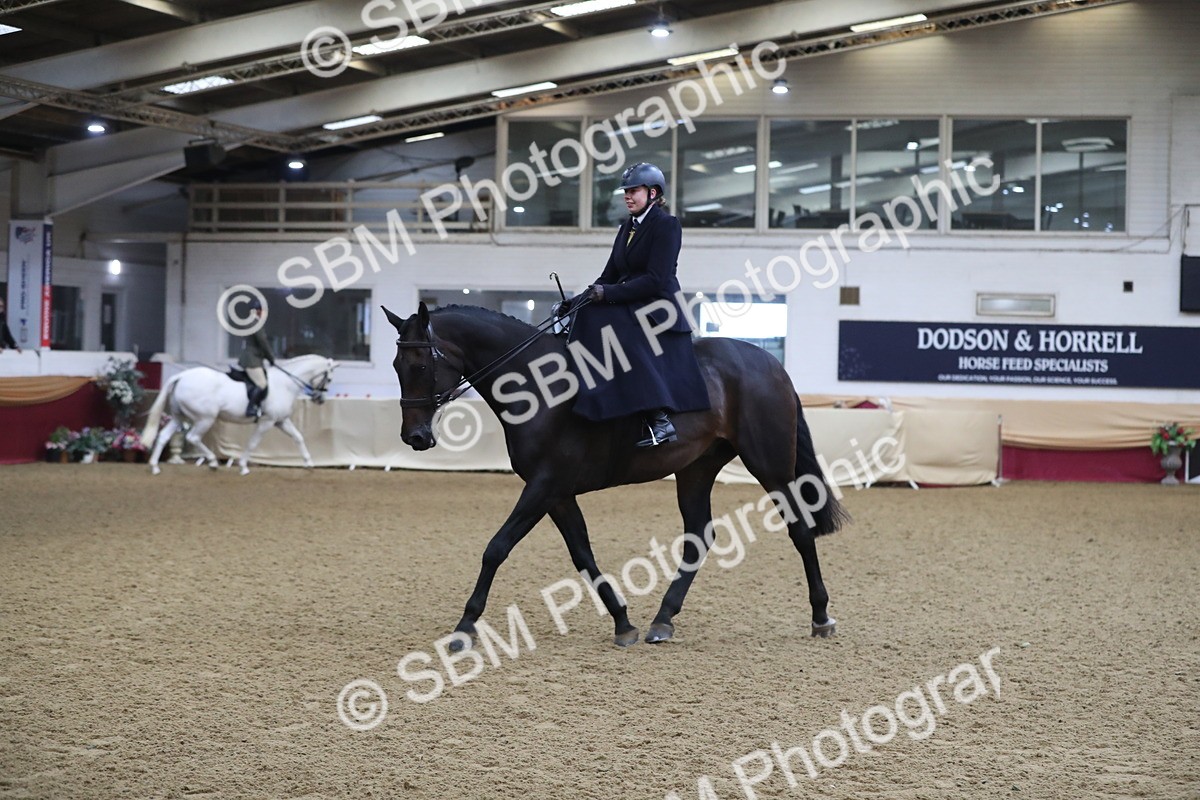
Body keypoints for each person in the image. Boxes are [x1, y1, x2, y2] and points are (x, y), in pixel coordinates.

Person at [558, 162, 710, 447]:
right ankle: (594, 398)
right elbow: (608, 276)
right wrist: (574, 302)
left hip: (658, 304)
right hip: (630, 299)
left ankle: (659, 419)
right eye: (625, 191)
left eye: (633, 191)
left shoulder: (667, 225)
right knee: (587, 315)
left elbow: (655, 279)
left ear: (653, 193)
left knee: (620, 332)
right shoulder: (627, 227)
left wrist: (609, 294)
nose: (627, 196)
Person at [238, 299, 275, 418]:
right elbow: (263, 342)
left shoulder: (250, 322)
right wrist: (271, 358)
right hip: (252, 360)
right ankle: (250, 408)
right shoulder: (255, 323)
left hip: (253, 358)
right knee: (262, 384)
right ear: (257, 311)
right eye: (262, 311)